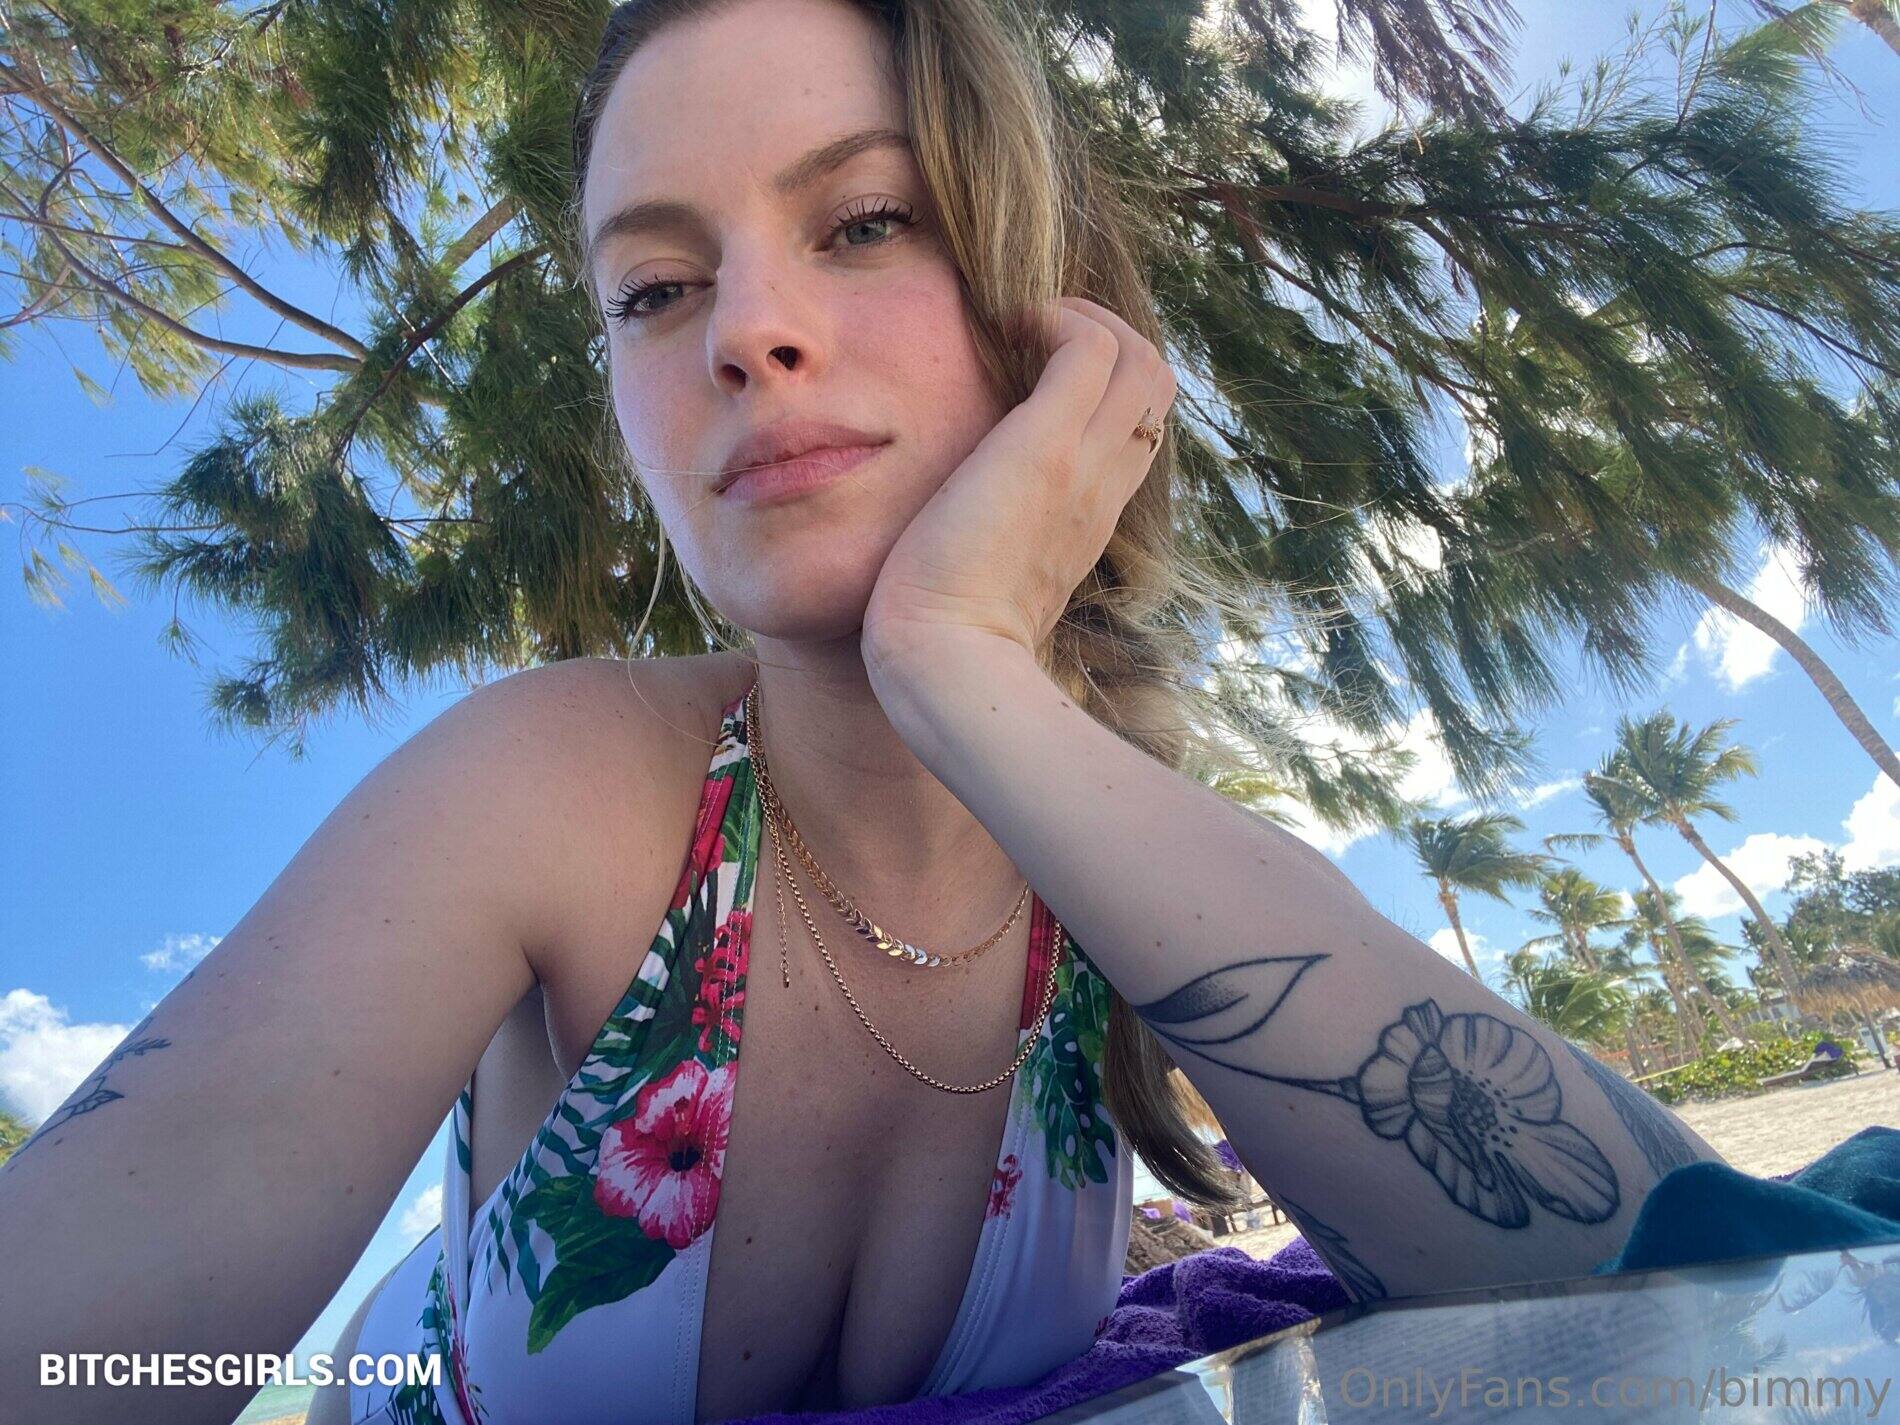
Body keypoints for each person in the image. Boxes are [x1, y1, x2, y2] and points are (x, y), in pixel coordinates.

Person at [0, 1, 1727, 1422]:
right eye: (654, 288)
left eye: (866, 220)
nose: (747, 333)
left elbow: (1684, 1302)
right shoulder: (550, 790)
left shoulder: (1115, 868)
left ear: (1050, 305)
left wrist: (964, 665)